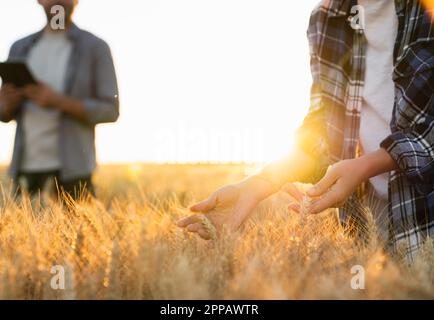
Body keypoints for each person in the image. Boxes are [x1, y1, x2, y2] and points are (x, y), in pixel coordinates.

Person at [179, 0, 434, 263]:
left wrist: (366, 165)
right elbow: (322, 131)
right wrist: (255, 185)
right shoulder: (326, 17)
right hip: (371, 241)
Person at [0, 0, 119, 200]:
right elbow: (1, 111)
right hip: (25, 169)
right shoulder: (19, 48)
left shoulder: (95, 47)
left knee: (76, 231)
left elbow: (110, 110)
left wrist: (58, 101)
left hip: (74, 172)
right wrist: (7, 104)